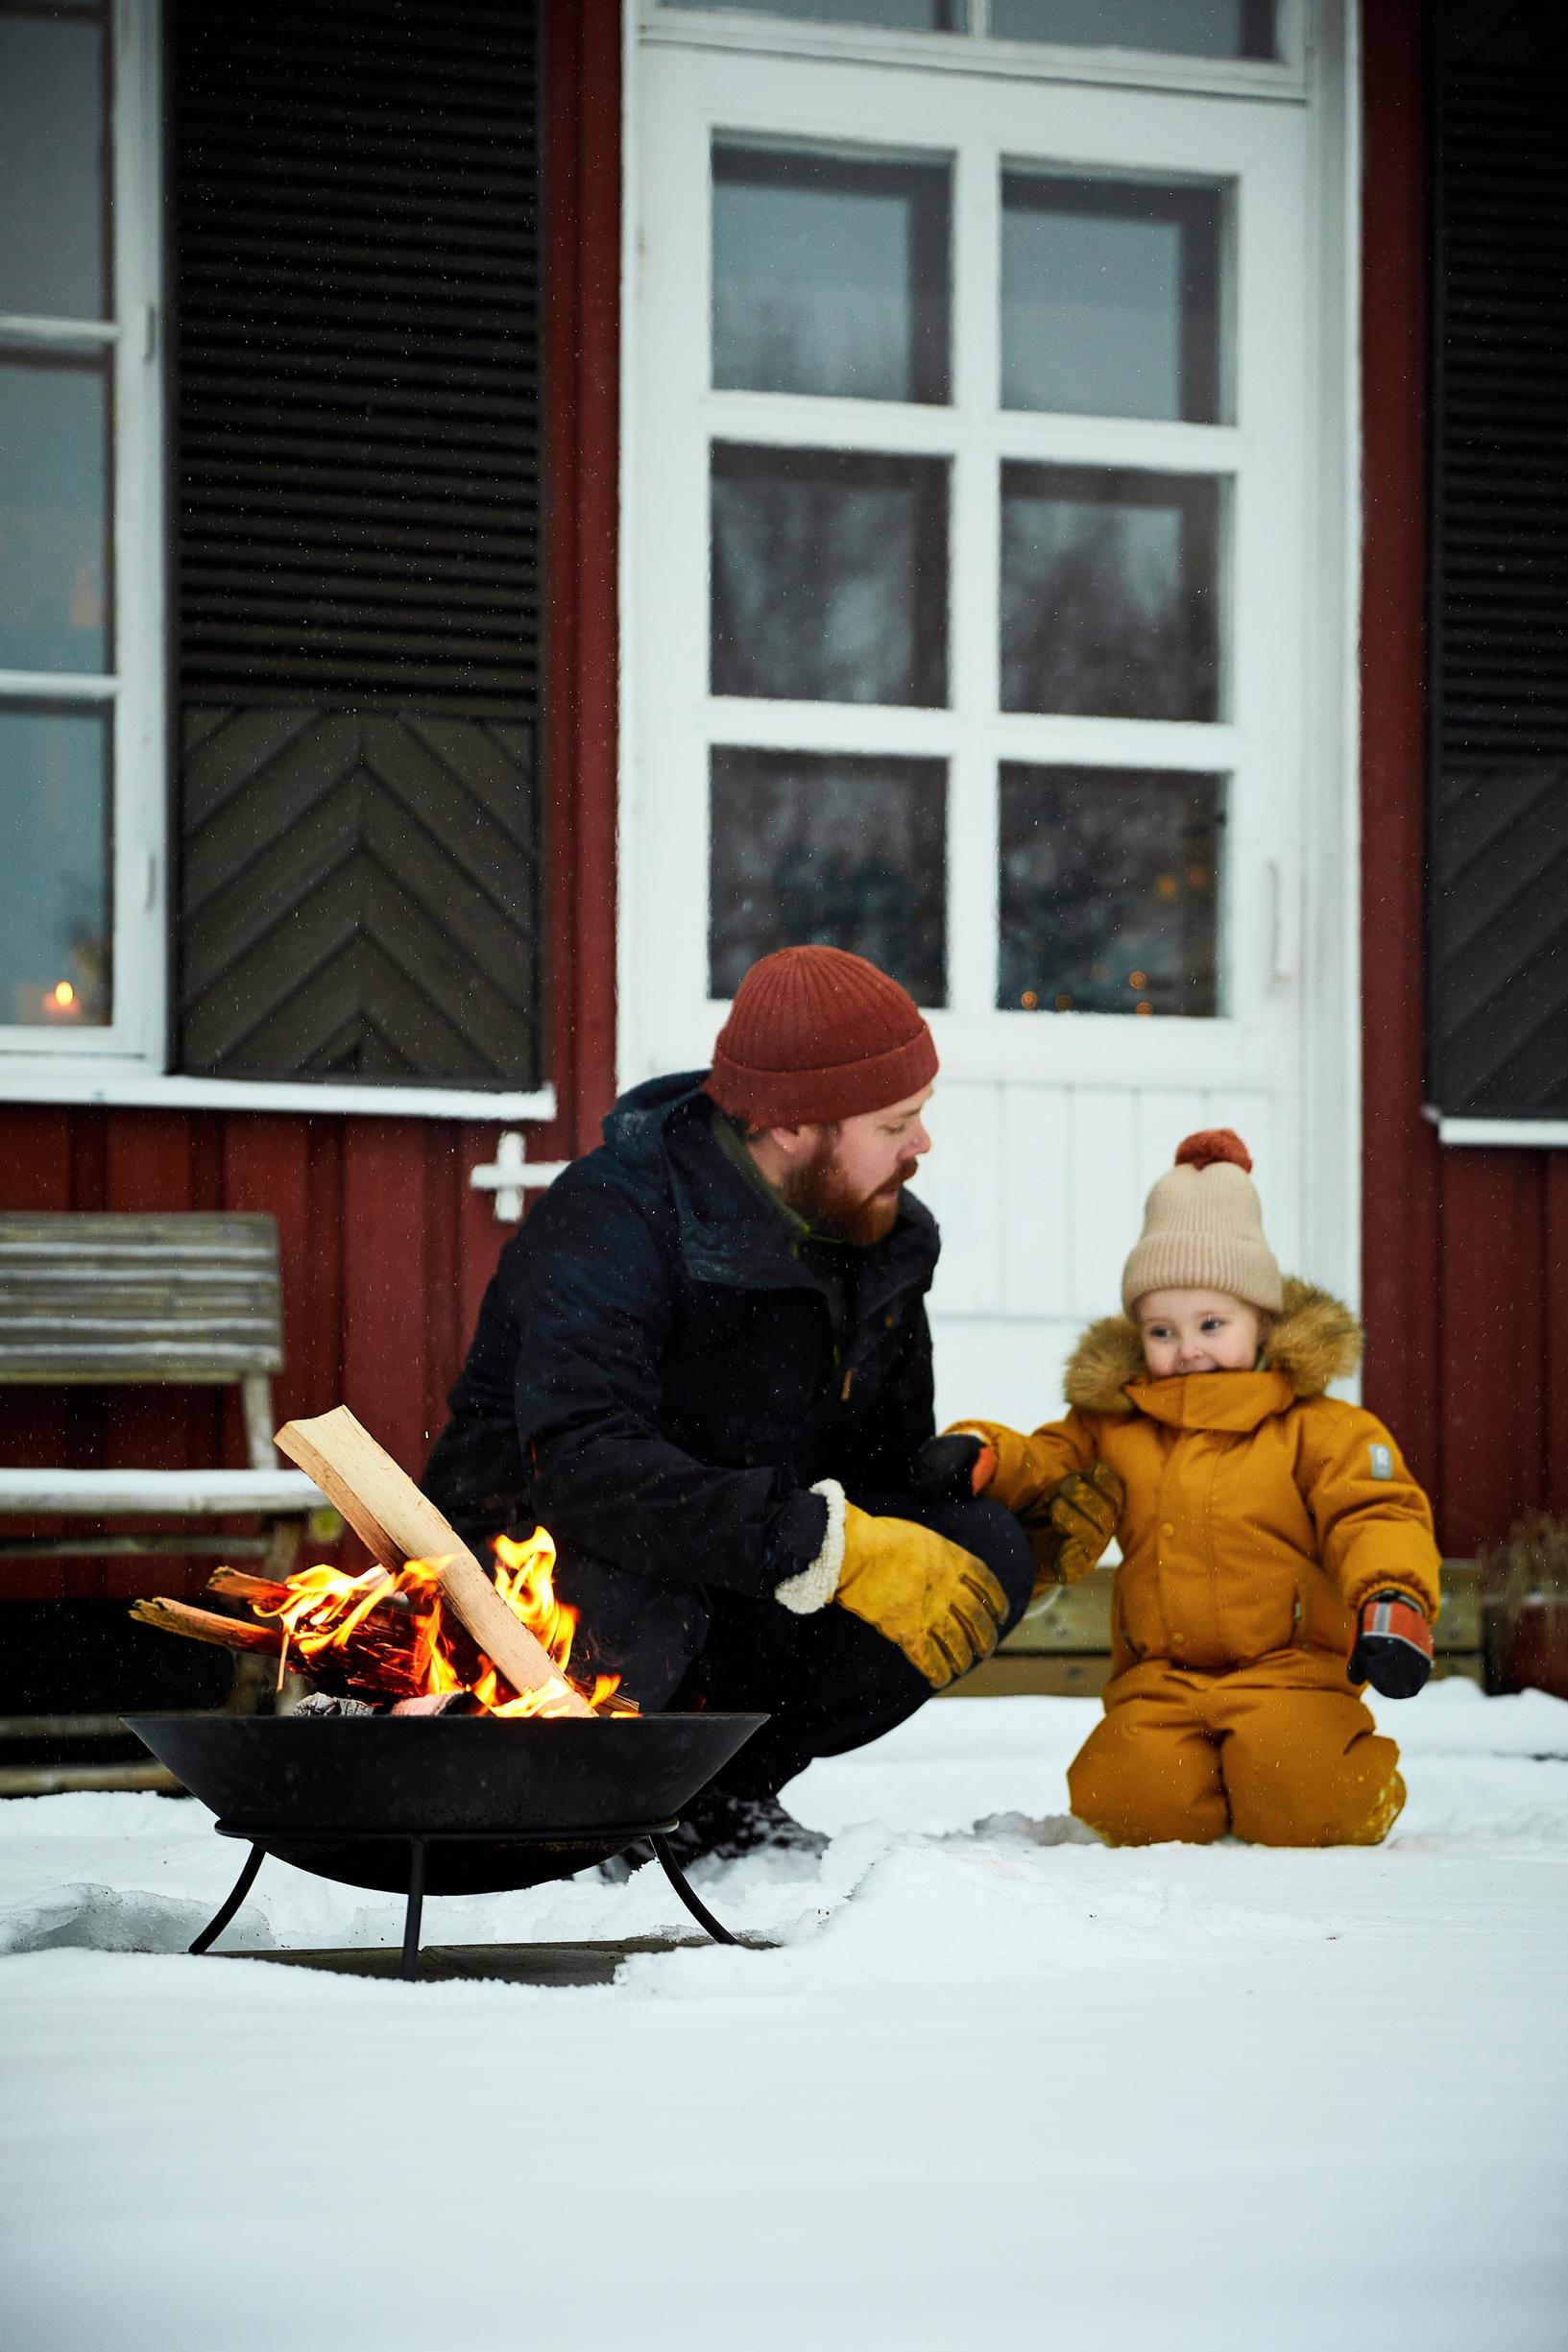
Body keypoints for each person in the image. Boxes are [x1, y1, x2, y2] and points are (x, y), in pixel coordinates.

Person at [422, 945, 1036, 1859]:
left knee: (977, 1546)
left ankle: (726, 1790)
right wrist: (817, 1541)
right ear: (791, 1126)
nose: (920, 1146)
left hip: (732, 1562)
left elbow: (874, 1467)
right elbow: (583, 1469)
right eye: (895, 1122)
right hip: (546, 1573)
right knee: (649, 1584)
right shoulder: (612, 1216)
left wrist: (999, 1479)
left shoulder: (880, 1234)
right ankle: (590, 1811)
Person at [938, 1129, 1442, 1847]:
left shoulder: (1322, 1429)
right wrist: (981, 1454)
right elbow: (1048, 1460)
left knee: (1315, 1805)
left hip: (1289, 1672)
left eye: (1211, 1323)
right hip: (1161, 1677)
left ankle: (1349, 1786)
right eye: (1161, 1330)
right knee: (1128, 1806)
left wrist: (1391, 1604)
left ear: (1262, 1322)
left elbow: (1376, 1512)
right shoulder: (1117, 1424)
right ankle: (1210, 1780)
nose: (1187, 1348)